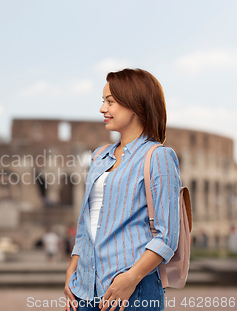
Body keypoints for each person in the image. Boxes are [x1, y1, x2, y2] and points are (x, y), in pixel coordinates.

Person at [64, 68, 181, 311]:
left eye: (110, 102)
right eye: (103, 101)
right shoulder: (99, 156)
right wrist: (72, 271)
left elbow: (167, 235)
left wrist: (131, 278)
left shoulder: (158, 156)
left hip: (133, 290)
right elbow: (87, 222)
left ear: (136, 104)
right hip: (84, 288)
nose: (102, 109)